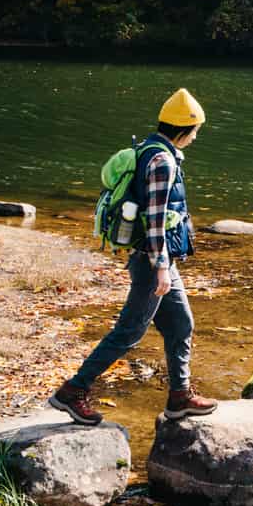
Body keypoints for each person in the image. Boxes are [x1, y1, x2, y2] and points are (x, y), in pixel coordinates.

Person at [49, 88, 218, 426]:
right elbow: (156, 219)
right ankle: (73, 391)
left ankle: (179, 396)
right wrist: (159, 269)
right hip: (152, 260)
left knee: (182, 323)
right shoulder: (162, 161)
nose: (196, 137)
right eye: (196, 130)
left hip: (159, 259)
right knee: (129, 332)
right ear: (183, 130)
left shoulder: (148, 149)